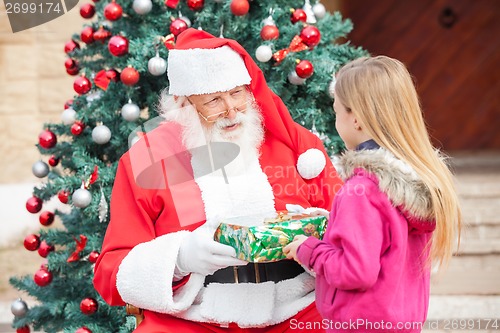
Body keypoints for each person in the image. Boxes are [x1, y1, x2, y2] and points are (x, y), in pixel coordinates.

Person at [93, 28, 344, 332]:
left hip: (298, 308)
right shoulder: (149, 158)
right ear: (184, 105)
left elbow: (350, 228)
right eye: (213, 100)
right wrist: (179, 258)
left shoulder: (296, 146)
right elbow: (111, 273)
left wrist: (313, 234)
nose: (231, 111)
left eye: (237, 93)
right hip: (197, 316)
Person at [283, 55, 462, 332]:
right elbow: (386, 245)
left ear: (356, 119)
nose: (336, 120)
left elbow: (355, 271)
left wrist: (308, 249)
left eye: (337, 111)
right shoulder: (415, 179)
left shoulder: (362, 189)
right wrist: (334, 222)